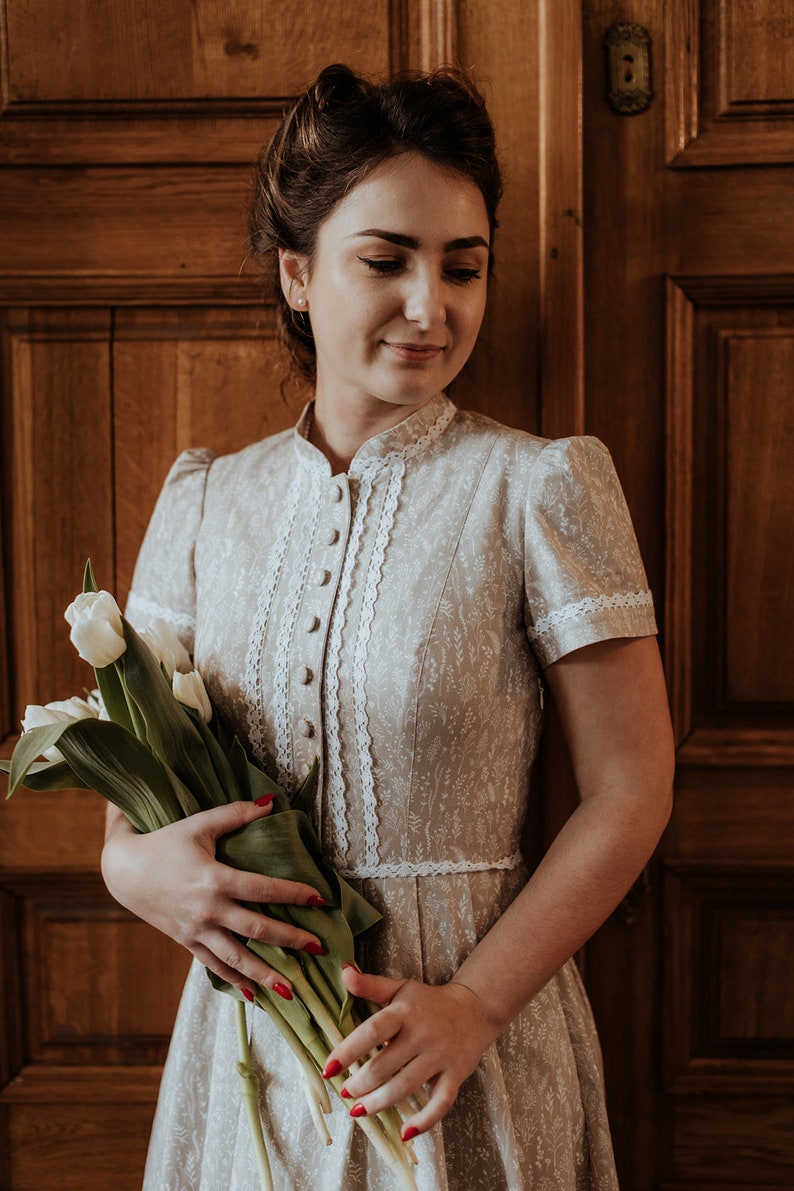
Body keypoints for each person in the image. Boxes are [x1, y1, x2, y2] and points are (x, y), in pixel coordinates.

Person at [101, 63, 674, 1191]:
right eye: (386, 261)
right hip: (251, 1046)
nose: (432, 305)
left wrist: (471, 1006)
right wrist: (134, 875)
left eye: (463, 267)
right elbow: (132, 783)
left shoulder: (537, 488)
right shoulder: (204, 503)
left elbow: (629, 788)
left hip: (470, 1039)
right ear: (297, 272)